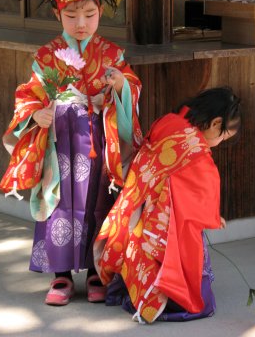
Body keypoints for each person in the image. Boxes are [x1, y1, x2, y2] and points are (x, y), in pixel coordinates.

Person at [0, 0, 142, 306]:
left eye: (89, 15)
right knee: (59, 202)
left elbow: (131, 89)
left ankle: (96, 270)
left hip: (98, 143)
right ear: (57, 15)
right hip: (59, 142)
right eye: (71, 15)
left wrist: (122, 83)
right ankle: (60, 274)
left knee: (98, 202)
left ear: (100, 12)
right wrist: (38, 115)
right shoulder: (47, 56)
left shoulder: (112, 53)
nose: (81, 24)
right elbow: (28, 95)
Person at [94, 86, 241, 323]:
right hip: (166, 217)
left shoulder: (171, 120)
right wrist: (211, 216)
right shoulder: (195, 148)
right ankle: (168, 299)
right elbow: (204, 186)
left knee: (139, 250)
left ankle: (133, 293)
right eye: (224, 136)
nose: (221, 141)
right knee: (179, 259)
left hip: (140, 201)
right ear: (215, 123)